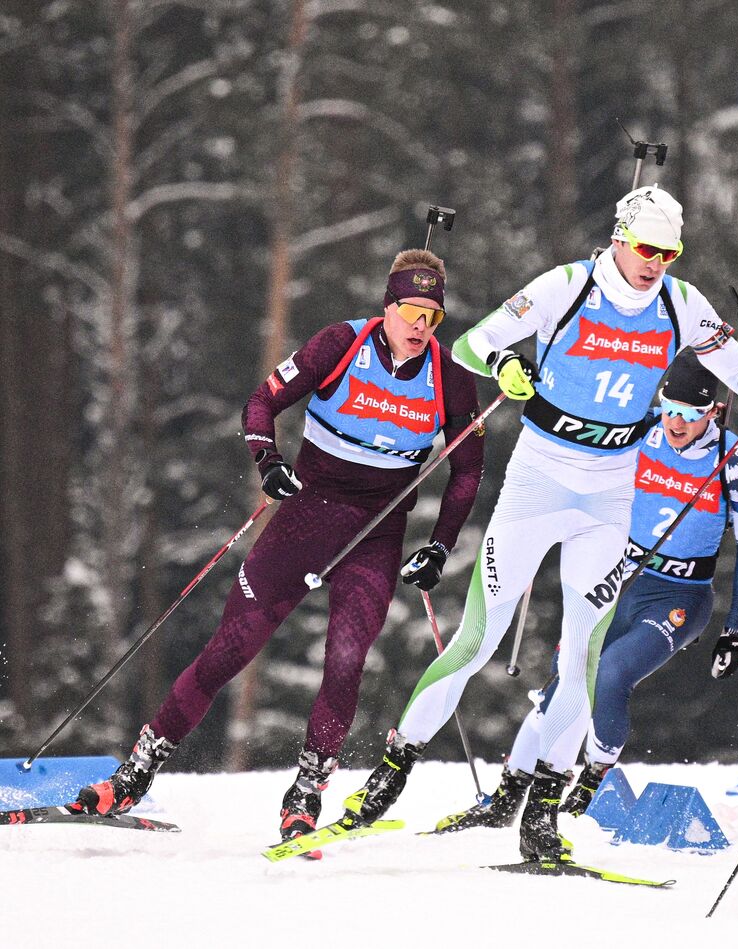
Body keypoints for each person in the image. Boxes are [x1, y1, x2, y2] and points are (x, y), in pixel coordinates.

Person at [337, 185, 738, 861]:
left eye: (668, 252)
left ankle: (543, 811)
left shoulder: (682, 303)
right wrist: (507, 364)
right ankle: (392, 769)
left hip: (612, 490)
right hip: (541, 474)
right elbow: (474, 342)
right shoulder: (566, 285)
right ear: (620, 237)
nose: (655, 263)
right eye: (646, 248)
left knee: (583, 655)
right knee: (478, 635)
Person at [77, 249, 486, 845]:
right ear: (388, 306)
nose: (421, 324)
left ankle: (305, 794)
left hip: (375, 534)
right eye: (411, 309)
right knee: (229, 650)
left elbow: (468, 469)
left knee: (345, 660)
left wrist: (441, 546)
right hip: (307, 516)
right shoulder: (340, 344)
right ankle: (137, 771)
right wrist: (268, 463)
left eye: (433, 314)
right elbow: (260, 403)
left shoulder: (449, 376)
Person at [434, 353, 738, 831]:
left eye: (691, 414)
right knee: (563, 678)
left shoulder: (735, 461)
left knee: (608, 675)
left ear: (713, 413)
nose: (676, 422)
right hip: (616, 577)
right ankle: (509, 795)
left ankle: (591, 780)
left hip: (679, 597)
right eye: (670, 407)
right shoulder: (640, 429)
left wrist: (735, 630)